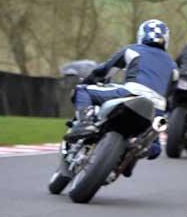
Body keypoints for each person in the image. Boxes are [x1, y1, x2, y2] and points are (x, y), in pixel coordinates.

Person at [65, 19, 178, 160]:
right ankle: (132, 156)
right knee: (155, 148)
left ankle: (85, 123)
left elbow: (104, 71)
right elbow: (170, 98)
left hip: (132, 94)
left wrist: (89, 81)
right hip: (157, 108)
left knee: (81, 90)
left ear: (141, 35)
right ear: (166, 39)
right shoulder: (173, 67)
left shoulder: (133, 50)